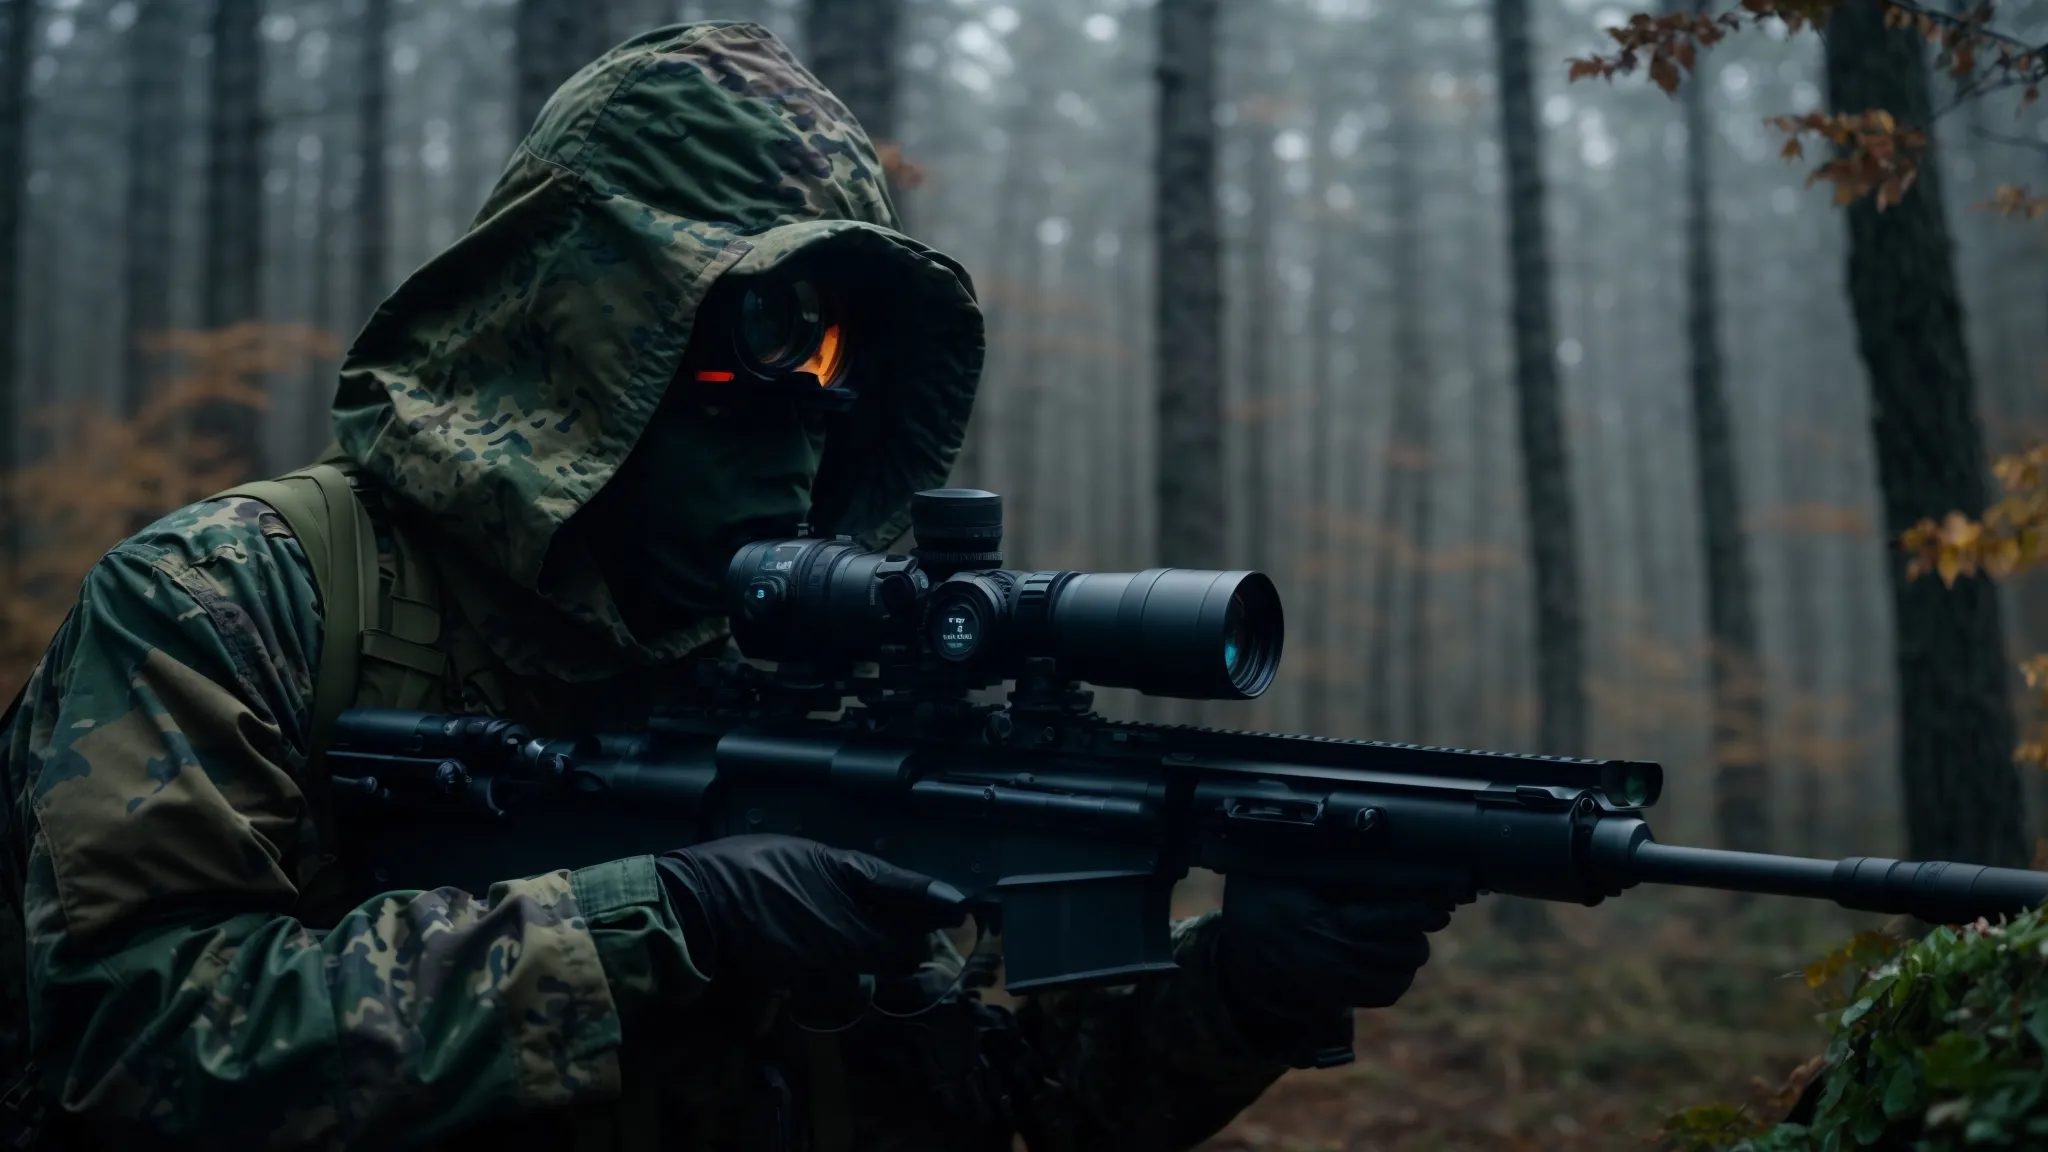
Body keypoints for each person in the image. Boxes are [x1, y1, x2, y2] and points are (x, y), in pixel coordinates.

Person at [0, 23, 1464, 1151]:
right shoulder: (238, 599)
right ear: (582, 341)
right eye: (739, 360)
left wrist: (1247, 993)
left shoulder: (799, 666)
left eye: (838, 371)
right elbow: (115, 1048)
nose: (804, 422)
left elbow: (985, 1111)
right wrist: (661, 924)